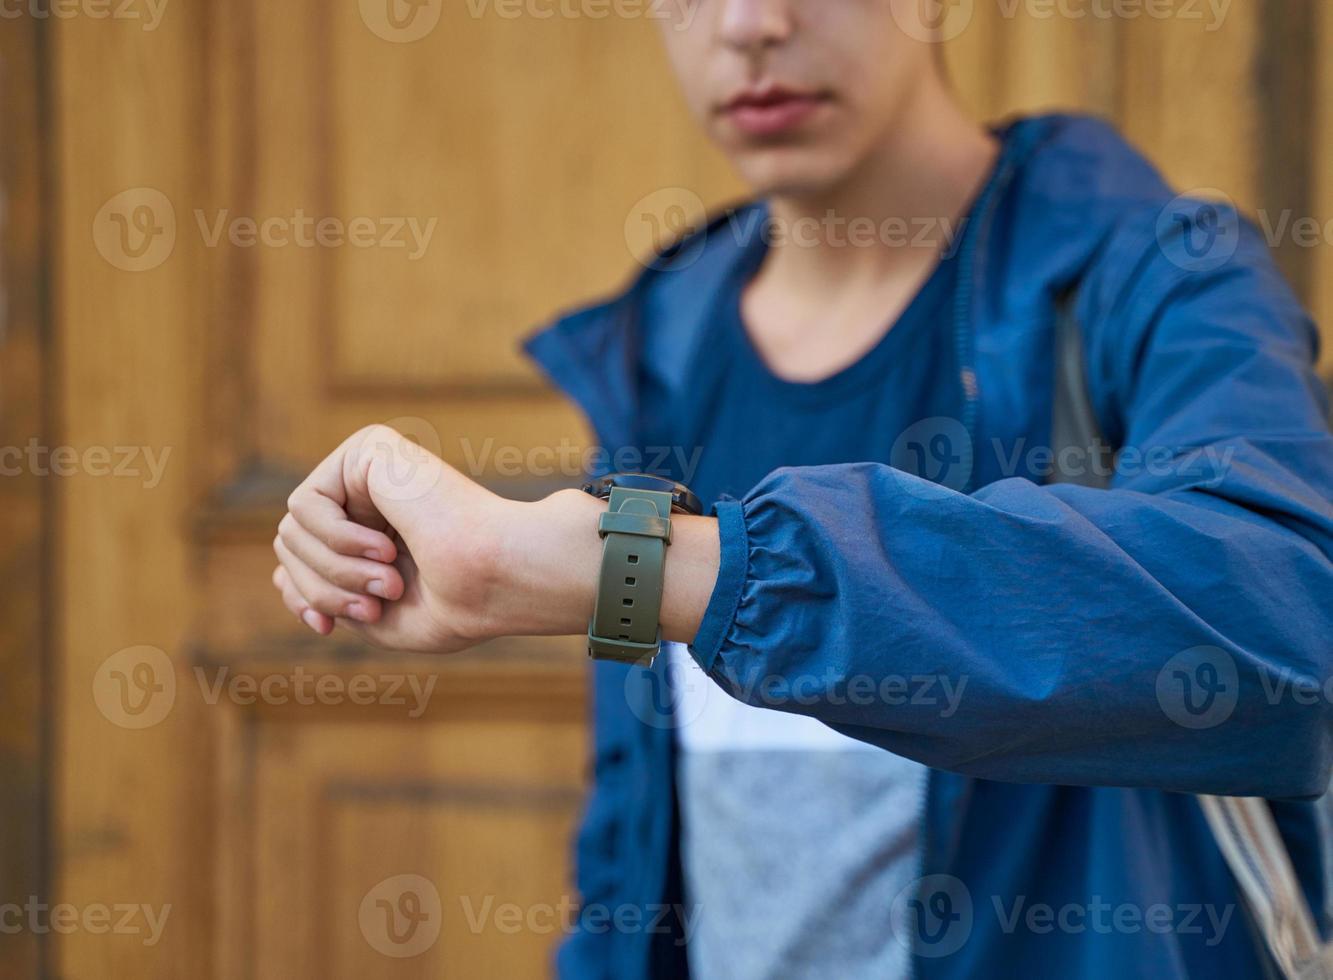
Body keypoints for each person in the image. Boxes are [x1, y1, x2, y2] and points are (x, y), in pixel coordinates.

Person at [269, 1, 1333, 977]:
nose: (749, 25)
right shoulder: (662, 343)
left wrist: (639, 568)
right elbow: (636, 842)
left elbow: (1292, 629)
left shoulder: (1156, 276)